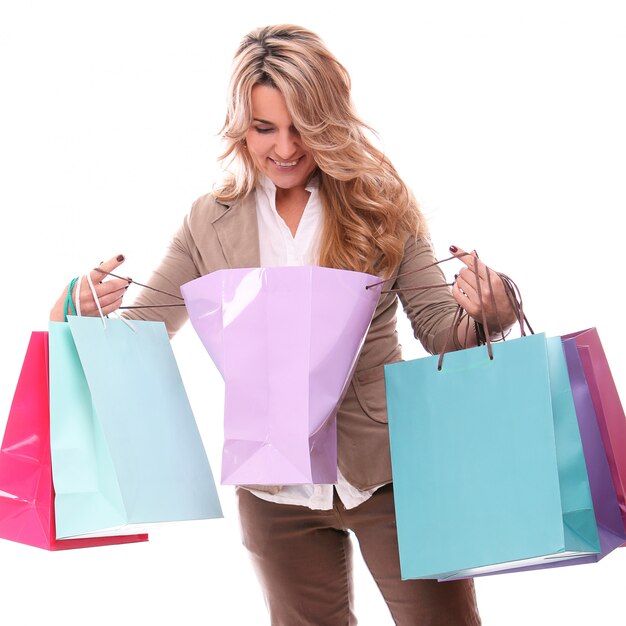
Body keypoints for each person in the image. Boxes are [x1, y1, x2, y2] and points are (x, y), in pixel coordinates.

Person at [50, 24, 517, 625]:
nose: (287, 148)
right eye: (265, 127)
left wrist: (491, 309)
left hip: (391, 473)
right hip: (274, 491)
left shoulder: (381, 202)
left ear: (330, 122)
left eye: (304, 126)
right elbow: (143, 330)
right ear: (239, 128)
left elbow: (437, 325)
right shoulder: (209, 222)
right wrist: (76, 307)